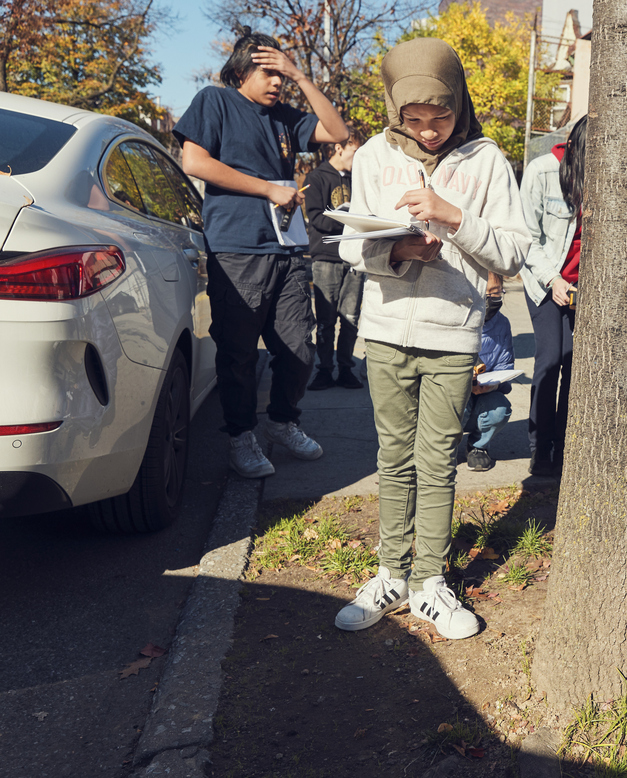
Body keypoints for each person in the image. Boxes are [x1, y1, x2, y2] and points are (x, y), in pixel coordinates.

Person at [333, 38, 529, 640]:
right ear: (394, 110)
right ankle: (390, 573)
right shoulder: (372, 155)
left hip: (453, 335)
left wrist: (453, 217)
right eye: (413, 118)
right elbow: (352, 247)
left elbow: (513, 253)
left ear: (459, 103)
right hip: (386, 332)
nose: (428, 130)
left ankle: (429, 583)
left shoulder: (486, 160)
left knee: (438, 460)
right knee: (393, 458)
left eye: (439, 116)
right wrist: (397, 252)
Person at [175, 28, 350, 479]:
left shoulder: (286, 117)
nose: (277, 83)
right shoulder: (215, 102)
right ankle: (240, 436)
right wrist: (268, 189)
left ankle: (282, 422)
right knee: (239, 354)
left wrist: (301, 76)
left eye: (281, 76)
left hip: (287, 248)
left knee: (300, 346)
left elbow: (338, 131)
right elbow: (194, 161)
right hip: (236, 248)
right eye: (268, 74)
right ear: (240, 72)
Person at [518, 116, 588, 477]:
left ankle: (565, 447)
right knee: (551, 359)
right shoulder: (542, 171)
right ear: (573, 147)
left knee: (577, 364)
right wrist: (553, 279)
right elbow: (525, 236)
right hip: (545, 281)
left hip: (584, 288)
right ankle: (540, 448)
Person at [305, 129, 366, 391]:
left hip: (355, 257)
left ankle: (346, 369)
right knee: (326, 319)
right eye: (355, 151)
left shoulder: (358, 179)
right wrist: (347, 219)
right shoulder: (316, 177)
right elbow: (317, 218)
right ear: (339, 148)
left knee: (350, 317)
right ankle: (324, 369)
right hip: (327, 257)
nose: (358, 158)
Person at [462, 274, 515, 472]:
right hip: (455, 392)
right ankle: (442, 447)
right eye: (484, 293)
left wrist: (494, 385)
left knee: (500, 409)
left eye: (496, 293)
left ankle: (478, 446)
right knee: (456, 403)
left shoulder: (502, 324)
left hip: (485, 392)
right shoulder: (452, 321)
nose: (491, 299)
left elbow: (505, 367)